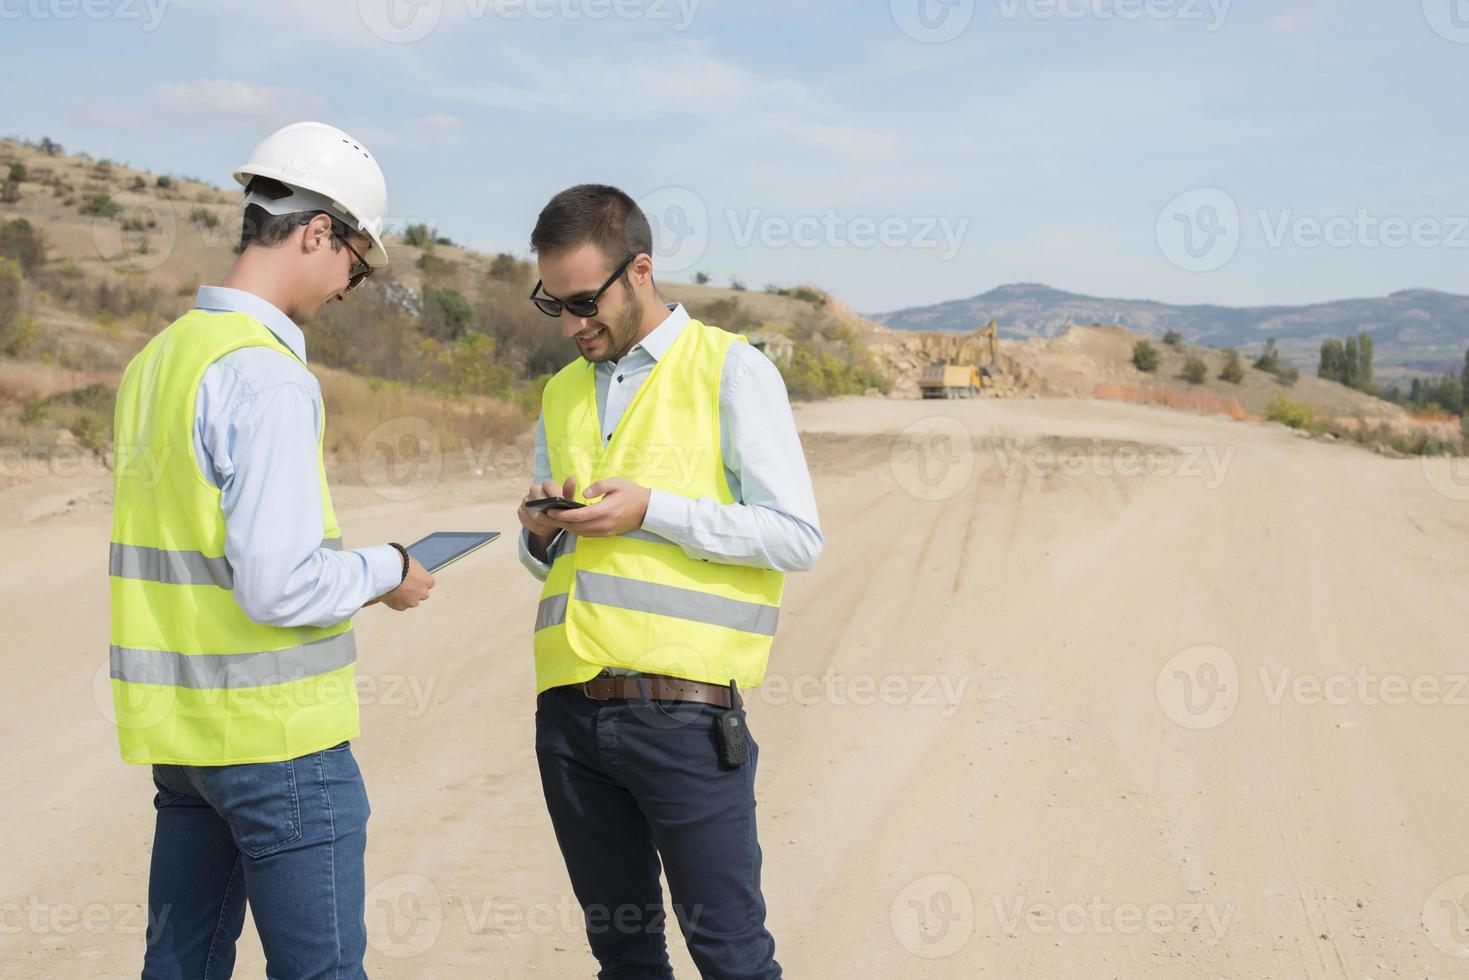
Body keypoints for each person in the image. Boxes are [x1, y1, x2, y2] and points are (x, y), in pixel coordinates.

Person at [109, 121, 436, 979]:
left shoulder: (158, 361)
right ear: (317, 232)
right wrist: (389, 569)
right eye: (355, 269)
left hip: (186, 747)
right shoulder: (267, 376)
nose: (345, 289)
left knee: (180, 966)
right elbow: (279, 586)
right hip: (277, 744)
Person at [516, 184, 823, 979]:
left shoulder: (730, 370)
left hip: (684, 721)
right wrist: (541, 531)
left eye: (585, 301)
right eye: (553, 302)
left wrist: (654, 510)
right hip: (570, 717)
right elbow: (553, 559)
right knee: (622, 957)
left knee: (730, 958)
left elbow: (794, 537)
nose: (571, 324)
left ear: (640, 271)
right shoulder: (559, 392)